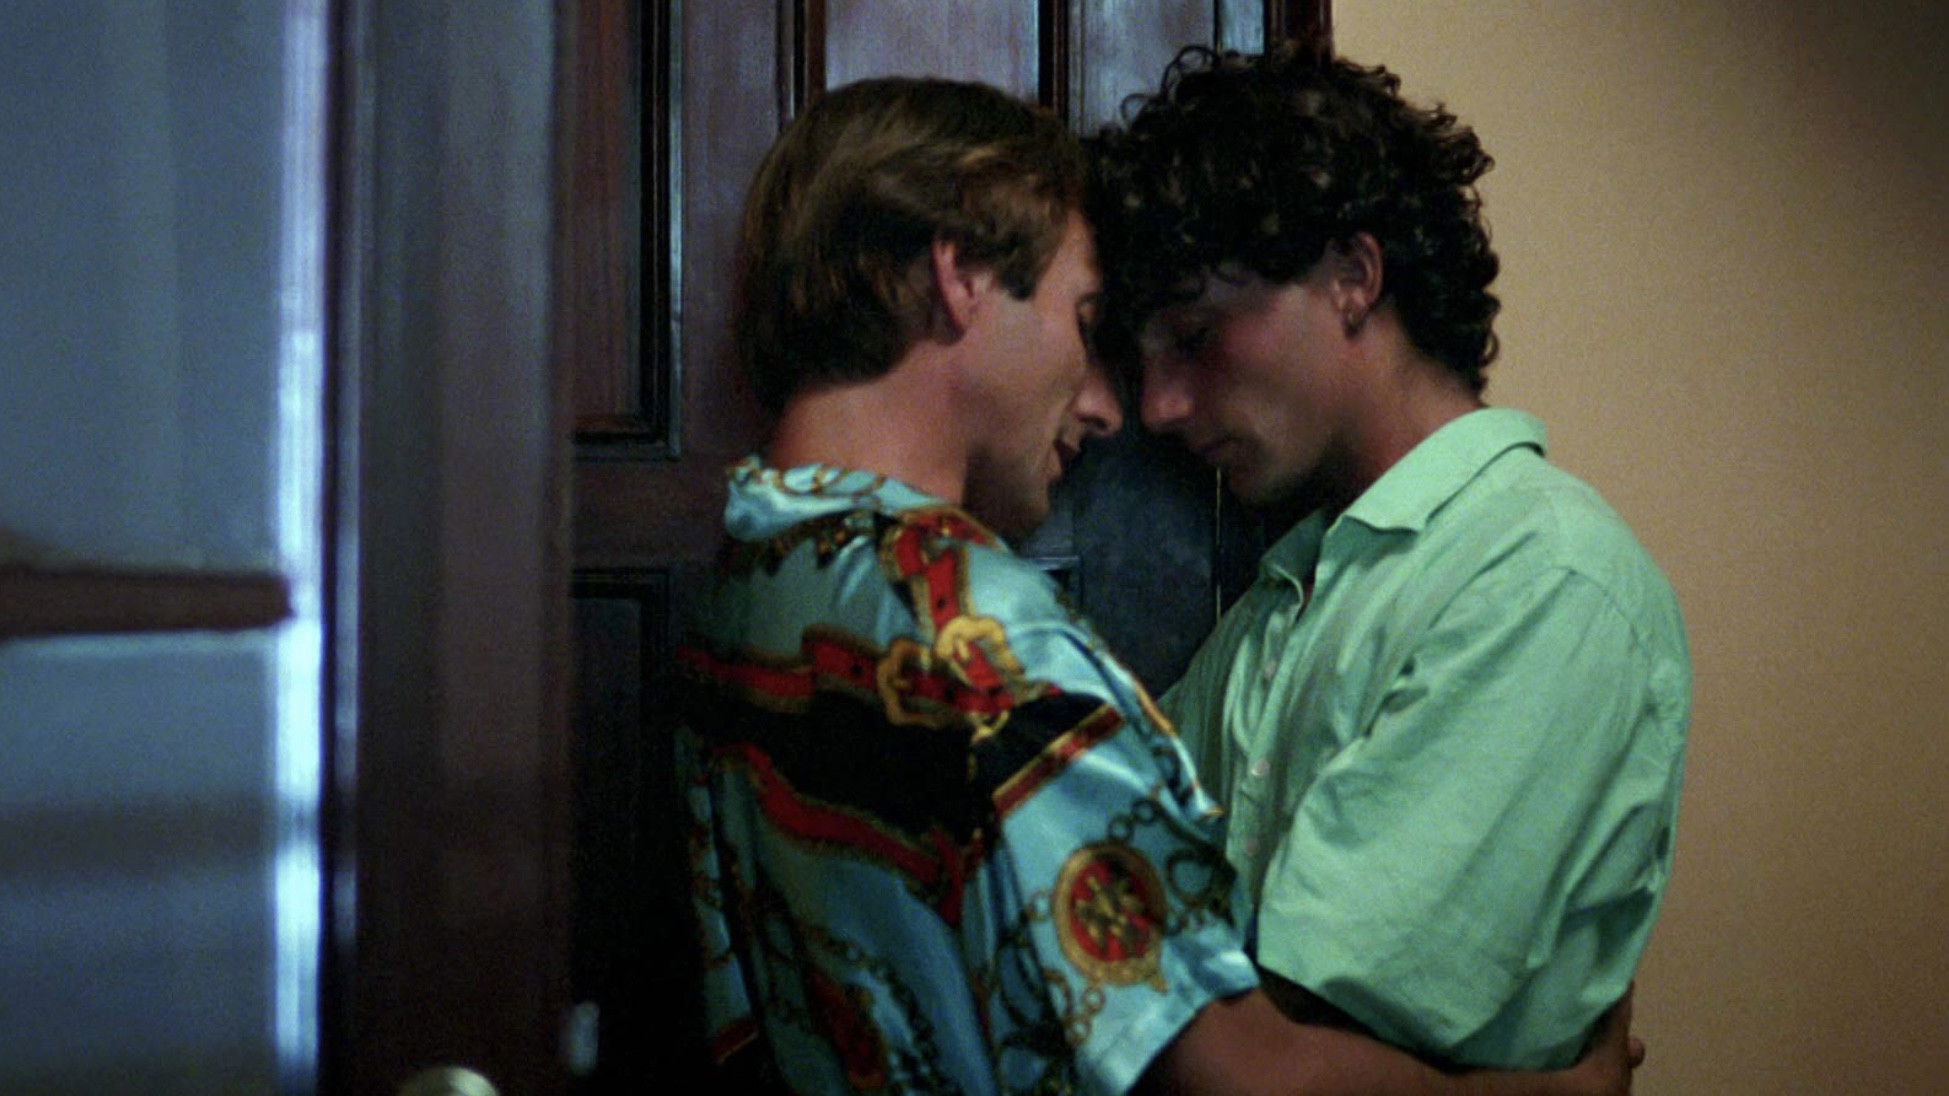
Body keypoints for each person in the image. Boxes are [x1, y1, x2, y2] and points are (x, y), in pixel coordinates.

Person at [675, 73, 1639, 1094]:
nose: (1126, 410)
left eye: (1190, 337)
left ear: (1357, 279)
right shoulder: (983, 640)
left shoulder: (747, 582)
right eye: (1087, 319)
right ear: (958, 277)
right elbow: (1244, 1075)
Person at [1087, 45, 1692, 1072]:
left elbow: (1278, 1050)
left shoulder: (1538, 578)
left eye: (1192, 335)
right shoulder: (1291, 591)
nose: (1157, 407)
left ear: (1352, 277)